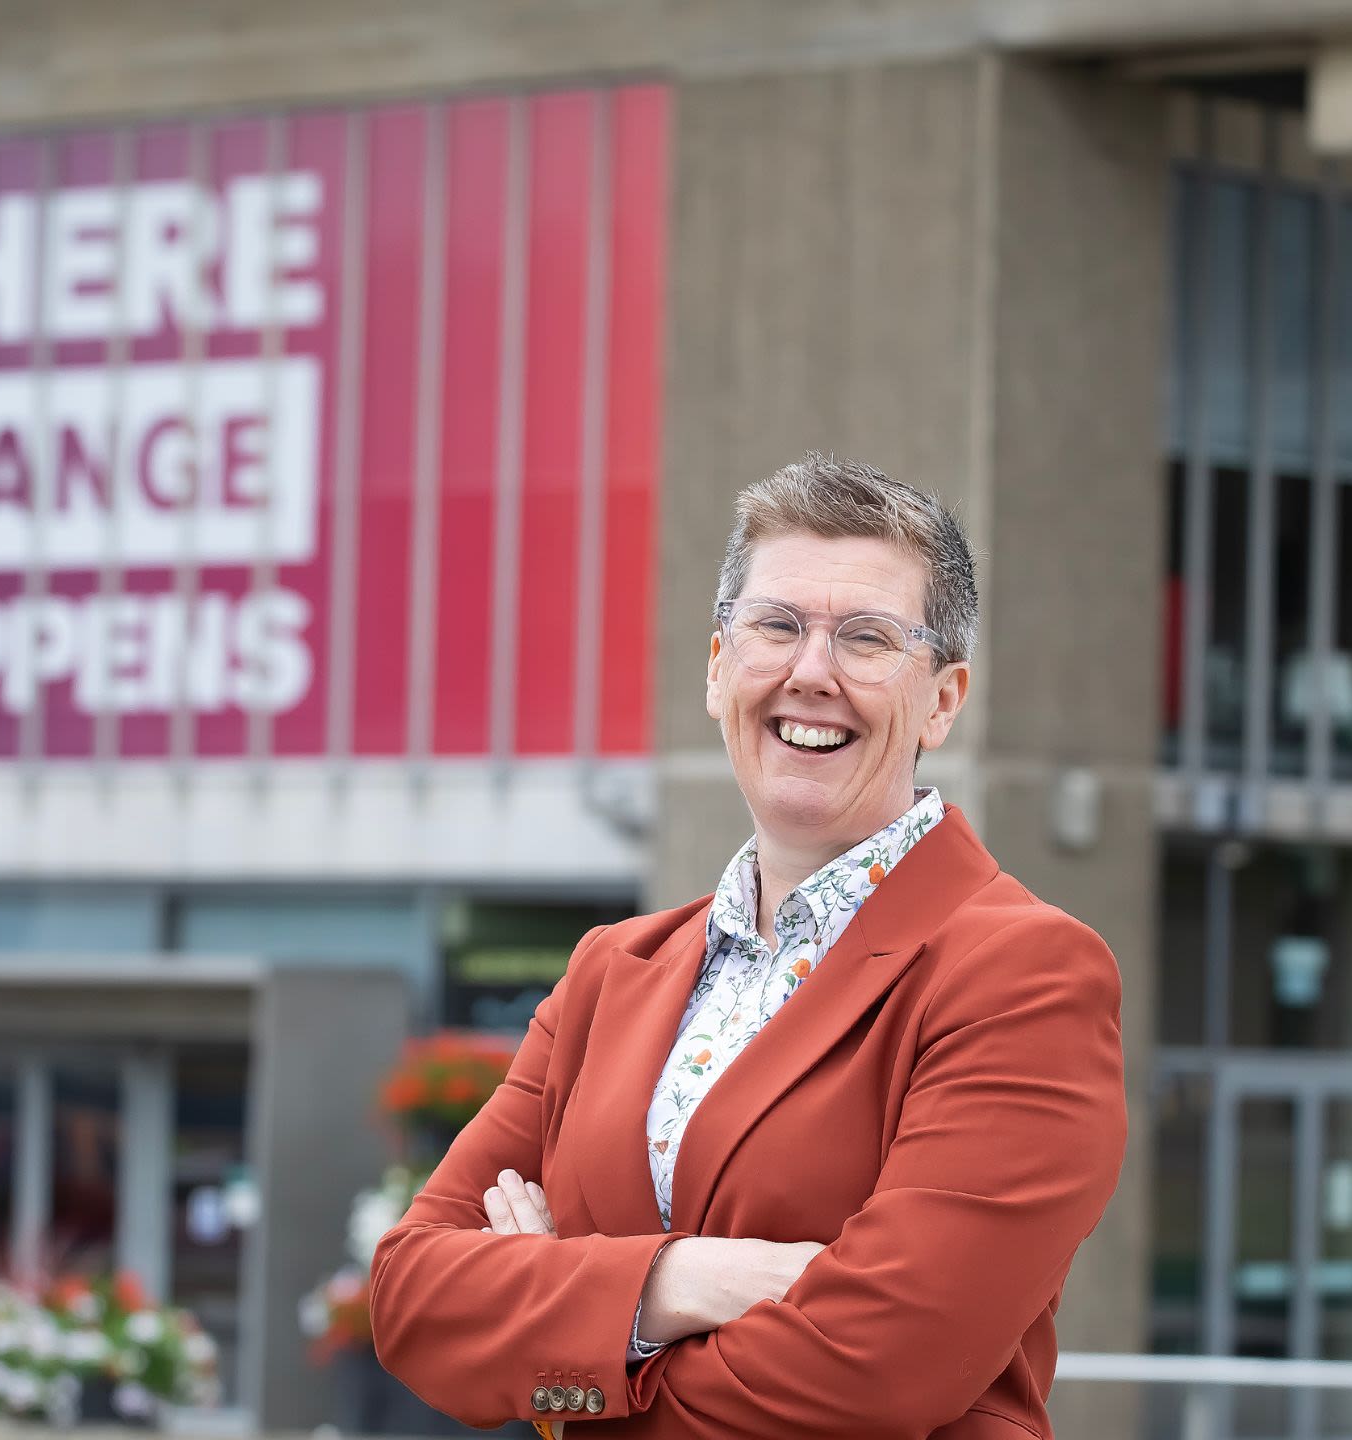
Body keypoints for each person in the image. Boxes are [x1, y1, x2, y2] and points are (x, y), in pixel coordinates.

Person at [368, 455, 1128, 1438]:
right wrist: (679, 1281)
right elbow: (411, 1299)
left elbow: (877, 1374)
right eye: (776, 626)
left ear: (943, 700)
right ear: (719, 664)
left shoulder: (1023, 977)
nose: (810, 674)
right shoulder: (611, 973)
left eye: (866, 639)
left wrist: (564, 1375)